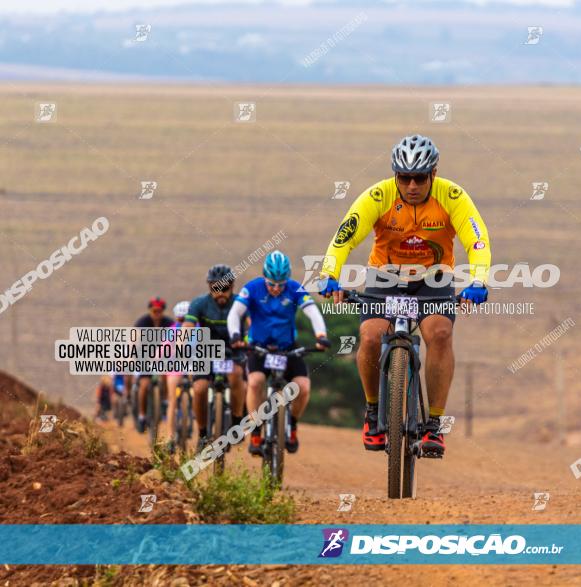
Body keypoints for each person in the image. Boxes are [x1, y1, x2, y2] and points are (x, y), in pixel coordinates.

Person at [318, 134, 491, 458]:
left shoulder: (452, 196)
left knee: (439, 333)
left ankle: (433, 426)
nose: (412, 185)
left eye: (420, 178)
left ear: (433, 174)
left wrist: (479, 281)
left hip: (433, 277)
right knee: (370, 337)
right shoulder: (377, 196)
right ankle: (372, 412)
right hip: (385, 275)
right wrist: (329, 274)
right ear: (395, 174)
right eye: (404, 177)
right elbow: (343, 239)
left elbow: (477, 242)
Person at [228, 251, 330, 455]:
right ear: (265, 277)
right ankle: (256, 431)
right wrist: (235, 335)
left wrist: (321, 335)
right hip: (258, 346)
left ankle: (292, 425)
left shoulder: (294, 289)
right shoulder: (252, 288)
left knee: (303, 386)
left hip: (287, 347)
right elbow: (235, 313)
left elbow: (312, 311)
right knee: (255, 382)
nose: (276, 288)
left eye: (280, 284)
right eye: (272, 284)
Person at [183, 264, 248, 452]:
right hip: (206, 352)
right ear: (209, 287)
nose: (220, 293)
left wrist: (248, 340)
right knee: (200, 388)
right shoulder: (199, 303)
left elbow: (252, 325)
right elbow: (187, 327)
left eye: (225, 288)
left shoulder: (241, 303)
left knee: (236, 375)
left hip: (233, 350)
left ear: (232, 286)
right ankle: (203, 434)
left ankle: (236, 421)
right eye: (215, 288)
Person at [134, 296, 174, 434]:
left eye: (159, 311)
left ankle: (164, 400)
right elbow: (134, 340)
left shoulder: (169, 323)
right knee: (144, 385)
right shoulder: (142, 322)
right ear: (150, 310)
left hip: (162, 356)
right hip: (144, 357)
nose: (157, 314)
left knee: (166, 376)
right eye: (154, 311)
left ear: (163, 311)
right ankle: (142, 415)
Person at [164, 300, 190, 448]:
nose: (183, 322)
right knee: (172, 400)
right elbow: (163, 349)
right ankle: (170, 436)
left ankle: (170, 437)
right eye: (181, 319)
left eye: (185, 319)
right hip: (178, 366)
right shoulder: (173, 331)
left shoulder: (174, 329)